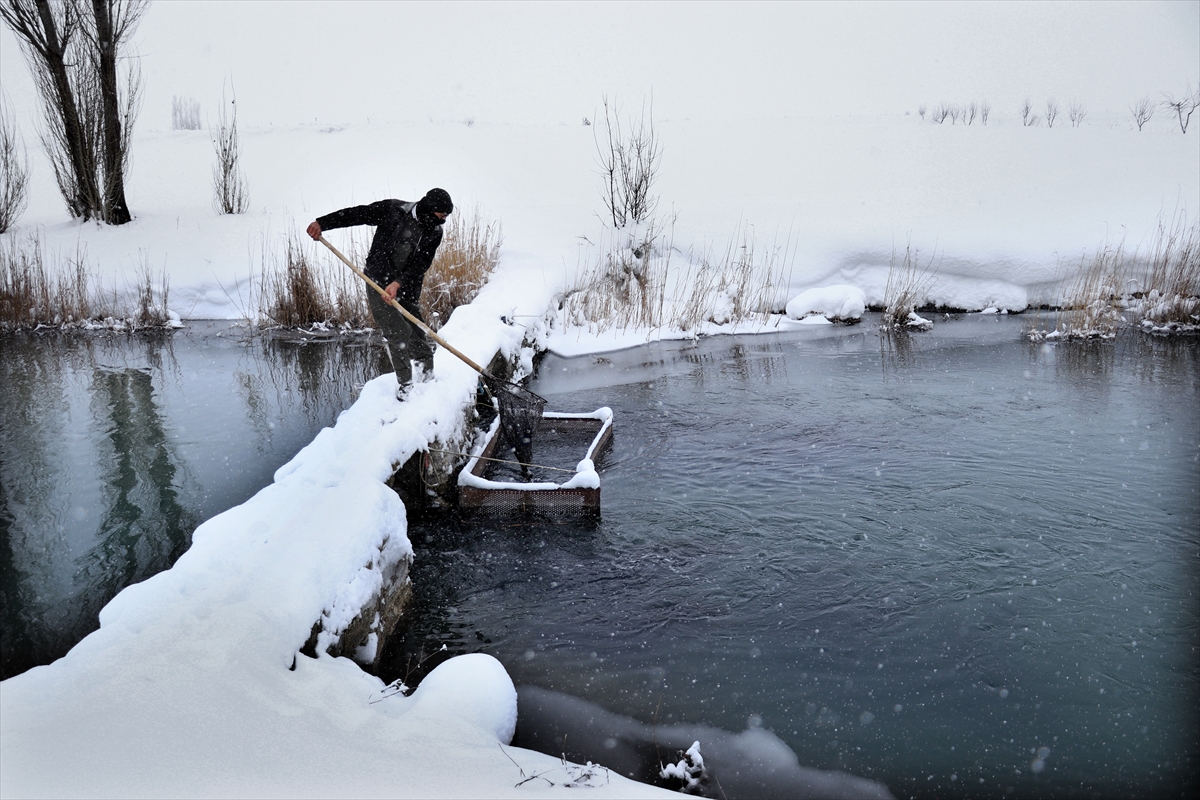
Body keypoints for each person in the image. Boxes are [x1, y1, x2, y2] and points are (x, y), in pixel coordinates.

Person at [306, 189, 453, 390]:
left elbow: (421, 264)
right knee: (398, 332)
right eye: (440, 216)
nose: (441, 222)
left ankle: (427, 383)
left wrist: (398, 283)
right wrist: (322, 223)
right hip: (377, 281)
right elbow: (357, 214)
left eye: (444, 218)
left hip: (407, 287)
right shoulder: (393, 210)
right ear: (428, 209)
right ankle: (407, 388)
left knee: (418, 332)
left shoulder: (435, 231)